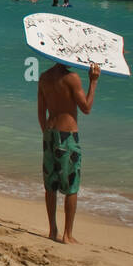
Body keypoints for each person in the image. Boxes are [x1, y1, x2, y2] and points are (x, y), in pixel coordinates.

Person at [37, 60, 100, 244]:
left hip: (49, 134)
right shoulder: (72, 78)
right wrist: (94, 81)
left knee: (51, 185)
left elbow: (41, 112)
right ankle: (67, 235)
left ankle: (52, 230)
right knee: (71, 186)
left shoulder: (44, 78)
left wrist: (47, 134)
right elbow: (86, 108)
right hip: (68, 136)